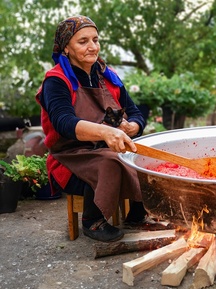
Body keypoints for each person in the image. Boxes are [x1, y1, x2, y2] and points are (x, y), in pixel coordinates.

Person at [36, 16, 149, 242]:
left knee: (144, 158)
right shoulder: (56, 81)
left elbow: (136, 113)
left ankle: (137, 214)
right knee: (110, 162)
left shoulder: (108, 76)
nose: (92, 47)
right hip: (70, 158)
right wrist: (106, 132)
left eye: (95, 40)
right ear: (66, 47)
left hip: (108, 148)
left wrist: (132, 126)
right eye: (83, 41)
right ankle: (92, 221)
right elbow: (63, 122)